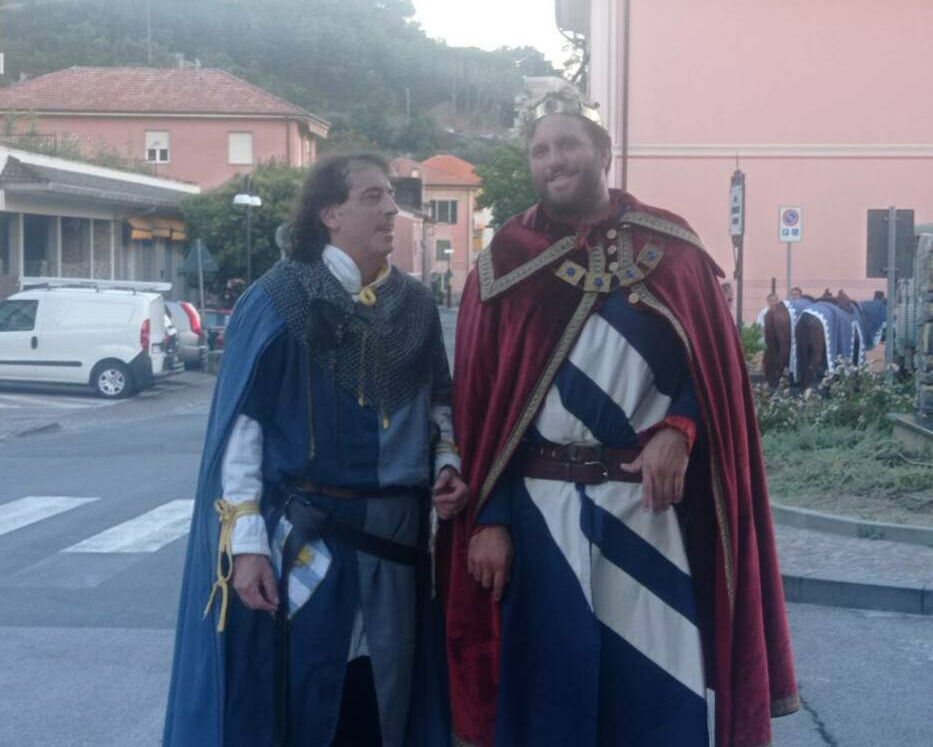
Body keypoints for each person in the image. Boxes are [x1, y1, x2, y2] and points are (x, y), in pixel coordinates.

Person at [441, 91, 798, 747]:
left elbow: (714, 375)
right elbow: (479, 407)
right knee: (554, 699)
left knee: (655, 693)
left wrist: (681, 428)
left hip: (647, 515)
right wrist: (486, 518)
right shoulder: (504, 263)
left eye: (568, 145)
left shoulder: (673, 250)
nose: (554, 161)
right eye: (540, 150)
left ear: (603, 152)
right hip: (541, 513)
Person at [164, 153, 468, 747]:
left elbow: (439, 403)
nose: (390, 210)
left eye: (390, 197)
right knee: (304, 702)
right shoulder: (279, 297)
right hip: (310, 542)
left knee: (385, 700)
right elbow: (244, 430)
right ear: (331, 213)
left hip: (398, 543)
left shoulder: (415, 305)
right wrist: (246, 543)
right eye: (374, 197)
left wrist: (447, 461)